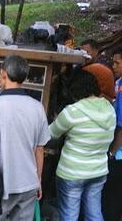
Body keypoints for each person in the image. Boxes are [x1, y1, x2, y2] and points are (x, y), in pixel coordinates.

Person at [0, 55, 50, 221]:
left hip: (0, 184)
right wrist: (38, 181)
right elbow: (39, 149)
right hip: (29, 184)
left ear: (3, 74)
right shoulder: (37, 107)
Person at [49, 70, 116, 221]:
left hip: (72, 173)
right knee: (94, 214)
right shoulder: (109, 109)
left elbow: (50, 134)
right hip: (98, 172)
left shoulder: (73, 111)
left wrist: (56, 119)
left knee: (69, 215)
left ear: (74, 90)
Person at [103, 46, 122, 221]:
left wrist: (112, 153)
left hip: (119, 155)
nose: (113, 66)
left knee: (113, 199)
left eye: (117, 62)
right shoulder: (118, 83)